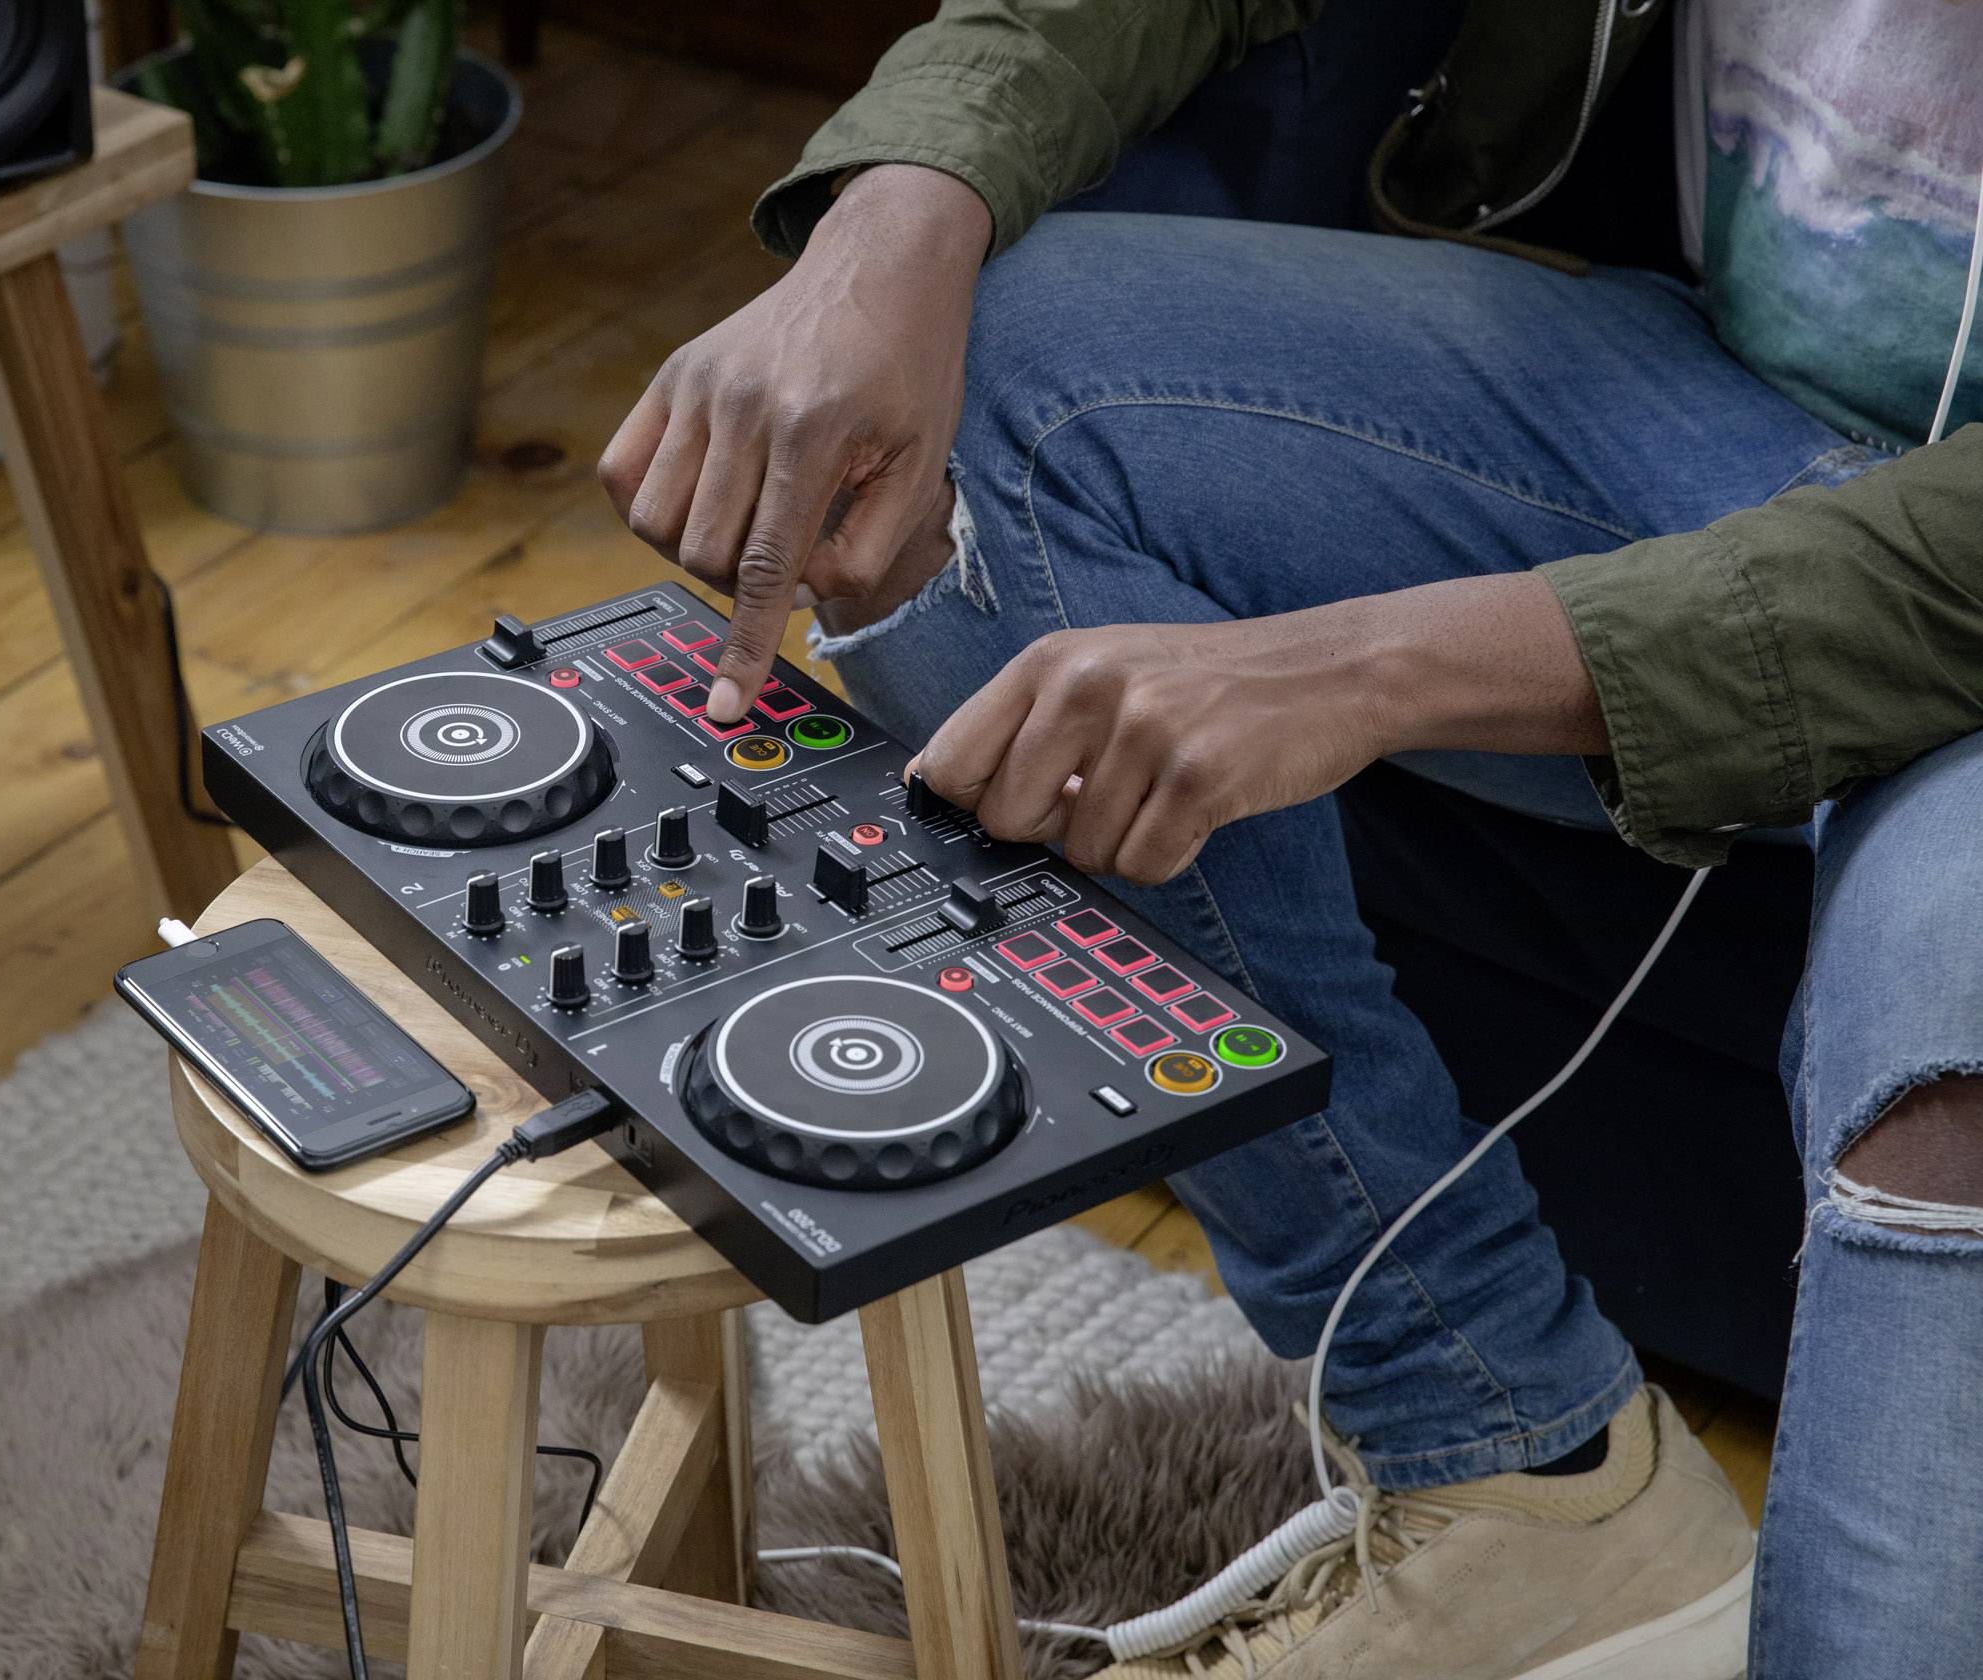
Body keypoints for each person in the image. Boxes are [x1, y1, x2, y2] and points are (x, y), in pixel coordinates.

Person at [598, 2, 1983, 1676]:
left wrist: (1361, 669)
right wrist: (896, 213)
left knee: (1949, 1075)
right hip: (1736, 409)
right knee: (952, 430)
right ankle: (1513, 1468)